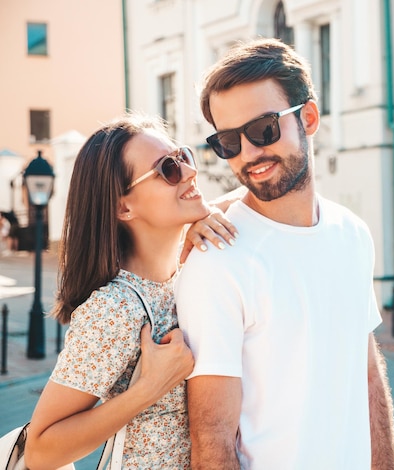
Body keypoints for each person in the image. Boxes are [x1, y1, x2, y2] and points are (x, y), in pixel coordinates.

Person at [176, 38, 394, 469]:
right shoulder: (217, 259)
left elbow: (368, 376)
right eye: (229, 141)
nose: (249, 154)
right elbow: (211, 441)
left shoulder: (352, 233)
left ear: (308, 117)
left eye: (263, 130)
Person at [24, 113, 236, 469]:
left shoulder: (190, 273)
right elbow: (41, 450)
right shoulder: (115, 308)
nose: (189, 172)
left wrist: (213, 210)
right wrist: (148, 389)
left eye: (184, 156)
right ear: (124, 206)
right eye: (168, 169)